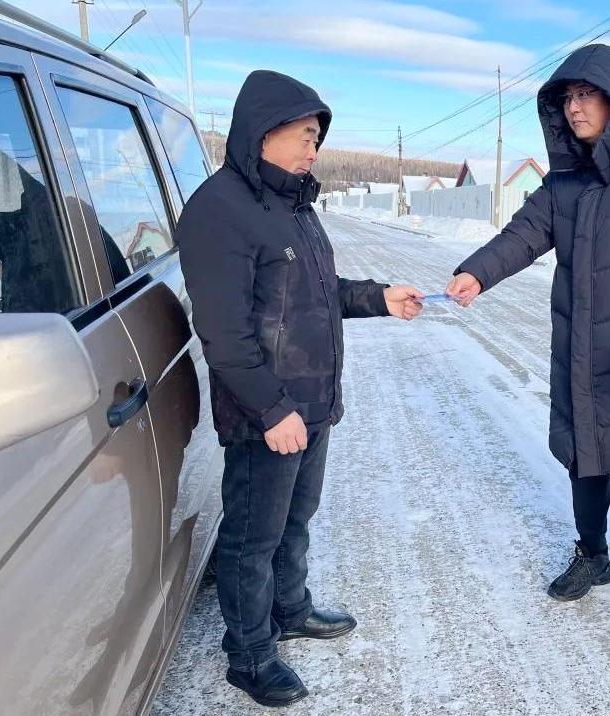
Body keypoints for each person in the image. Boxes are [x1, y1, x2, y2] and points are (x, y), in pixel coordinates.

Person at [446, 44, 610, 630]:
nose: (575, 107)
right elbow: (524, 234)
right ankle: (593, 555)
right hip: (582, 352)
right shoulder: (565, 179)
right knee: (584, 459)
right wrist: (476, 273)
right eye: (567, 97)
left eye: (586, 94)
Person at [176, 70, 423, 707]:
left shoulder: (294, 206)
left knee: (296, 518)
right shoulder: (219, 209)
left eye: (318, 138)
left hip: (311, 403)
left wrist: (379, 297)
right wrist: (271, 408)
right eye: (306, 135)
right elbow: (225, 333)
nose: (314, 149)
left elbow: (318, 294)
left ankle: (289, 609)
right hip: (269, 412)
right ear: (264, 131)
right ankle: (249, 655)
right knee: (251, 537)